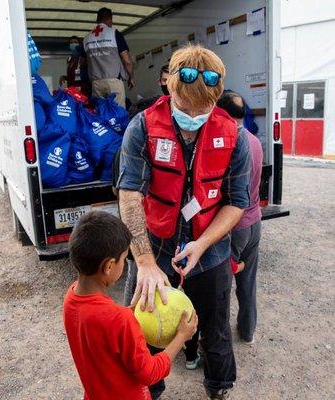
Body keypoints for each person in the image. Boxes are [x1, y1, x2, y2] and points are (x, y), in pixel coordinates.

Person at [118, 44, 250, 400]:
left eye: (203, 108)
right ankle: (148, 391)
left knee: (217, 329)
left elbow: (237, 203)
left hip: (211, 252)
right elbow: (129, 194)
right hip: (155, 250)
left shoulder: (235, 136)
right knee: (141, 331)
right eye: (185, 107)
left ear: (216, 98)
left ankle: (219, 387)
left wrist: (203, 243)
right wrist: (143, 262)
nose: (193, 116)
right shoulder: (141, 127)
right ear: (170, 88)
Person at [63, 211, 198, 400]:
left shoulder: (71, 298)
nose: (124, 266)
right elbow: (149, 373)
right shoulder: (120, 320)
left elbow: (101, 329)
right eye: (124, 259)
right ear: (109, 266)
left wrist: (131, 310)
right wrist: (181, 337)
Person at [217, 91, 263, 345]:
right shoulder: (254, 141)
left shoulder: (230, 143)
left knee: (220, 288)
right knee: (247, 284)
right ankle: (247, 331)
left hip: (234, 227)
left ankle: (218, 340)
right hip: (254, 223)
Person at [83, 7, 135, 107]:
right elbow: (127, 61)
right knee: (118, 114)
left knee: (100, 114)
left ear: (97, 19)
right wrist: (131, 77)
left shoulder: (86, 38)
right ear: (110, 19)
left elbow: (83, 62)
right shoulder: (114, 33)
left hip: (96, 83)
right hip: (114, 82)